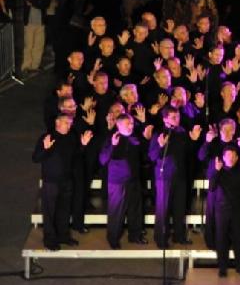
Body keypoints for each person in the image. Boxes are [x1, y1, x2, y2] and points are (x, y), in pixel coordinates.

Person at [32, 114, 93, 250]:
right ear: (57, 122)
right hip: (51, 181)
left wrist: (83, 145)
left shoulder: (71, 137)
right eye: (66, 123)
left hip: (67, 181)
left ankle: (63, 236)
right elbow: (36, 158)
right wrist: (45, 148)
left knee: (64, 211)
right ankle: (50, 240)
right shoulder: (47, 137)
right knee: (50, 212)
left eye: (70, 123)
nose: (69, 126)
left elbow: (76, 155)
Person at [98, 114, 148, 249]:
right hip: (118, 182)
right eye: (128, 124)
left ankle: (135, 235)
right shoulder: (111, 138)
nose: (131, 126)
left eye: (132, 123)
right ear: (118, 125)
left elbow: (145, 155)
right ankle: (113, 238)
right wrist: (112, 146)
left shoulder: (135, 138)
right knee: (116, 211)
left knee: (135, 209)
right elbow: (102, 159)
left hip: (134, 179)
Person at [148, 106, 194, 248]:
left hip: (180, 174)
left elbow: (189, 153)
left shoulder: (182, 132)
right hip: (164, 175)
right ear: (165, 119)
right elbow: (152, 156)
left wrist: (193, 140)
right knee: (163, 208)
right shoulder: (159, 133)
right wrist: (160, 146)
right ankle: (161, 238)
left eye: (178, 116)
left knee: (180, 206)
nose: (177, 119)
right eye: (173, 117)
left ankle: (179, 236)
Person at [209, 146, 240, 277]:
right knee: (221, 239)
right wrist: (217, 171)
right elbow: (211, 187)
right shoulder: (218, 170)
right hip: (221, 210)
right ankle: (222, 268)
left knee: (239, 239)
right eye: (228, 156)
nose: (231, 158)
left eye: (233, 156)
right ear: (223, 157)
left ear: (237, 157)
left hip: (237, 210)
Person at [21, 0, 50, 73]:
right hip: (29, 22)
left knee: (39, 45)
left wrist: (35, 1)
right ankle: (26, 66)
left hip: (41, 22)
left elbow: (46, 3)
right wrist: (38, 2)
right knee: (28, 45)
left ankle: (35, 65)